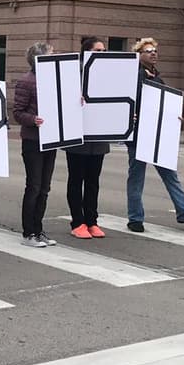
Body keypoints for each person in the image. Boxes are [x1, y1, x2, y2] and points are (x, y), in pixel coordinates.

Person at [125, 37, 184, 232]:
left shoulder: (156, 76)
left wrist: (173, 118)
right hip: (139, 136)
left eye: (155, 50)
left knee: (170, 174)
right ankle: (135, 218)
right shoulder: (136, 75)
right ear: (138, 55)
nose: (153, 53)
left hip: (156, 135)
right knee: (136, 178)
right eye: (148, 50)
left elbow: (161, 105)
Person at [12, 42, 58, 247]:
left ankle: (39, 230)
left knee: (45, 188)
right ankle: (28, 232)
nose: (55, 56)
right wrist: (33, 120)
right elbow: (18, 113)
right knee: (34, 186)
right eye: (51, 54)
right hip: (33, 140)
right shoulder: (26, 82)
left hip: (51, 139)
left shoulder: (54, 80)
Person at [65, 36, 109, 239]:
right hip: (78, 137)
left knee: (93, 181)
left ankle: (92, 221)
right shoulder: (75, 73)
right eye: (97, 51)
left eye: (103, 51)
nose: (101, 54)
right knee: (76, 180)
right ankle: (78, 221)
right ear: (87, 52)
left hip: (98, 137)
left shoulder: (107, 74)